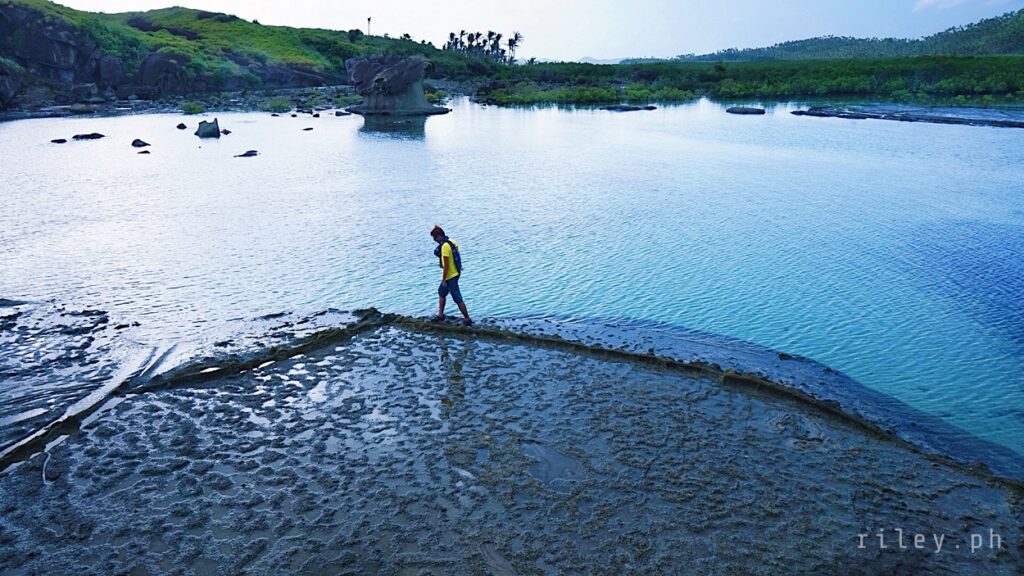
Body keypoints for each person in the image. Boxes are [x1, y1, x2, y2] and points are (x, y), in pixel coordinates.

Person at [430, 225, 472, 325]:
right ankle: (440, 315)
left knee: (457, 297)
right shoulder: (452, 241)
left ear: (439, 236)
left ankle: (467, 318)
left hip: (450, 276)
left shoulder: (445, 247)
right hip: (457, 272)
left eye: (435, 237)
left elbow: (446, 266)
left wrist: (444, 279)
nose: (434, 240)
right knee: (441, 292)